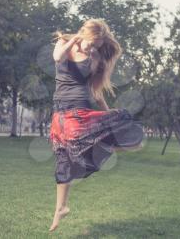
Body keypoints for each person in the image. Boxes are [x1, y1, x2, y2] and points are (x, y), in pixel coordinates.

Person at [48, 18, 144, 232]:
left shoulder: (94, 59)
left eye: (97, 46)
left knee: (77, 141)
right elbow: (57, 56)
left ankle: (115, 143)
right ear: (84, 33)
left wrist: (108, 114)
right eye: (92, 43)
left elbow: (95, 92)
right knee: (63, 160)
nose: (93, 48)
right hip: (59, 113)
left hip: (78, 110)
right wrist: (75, 39)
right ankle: (60, 208)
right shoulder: (63, 42)